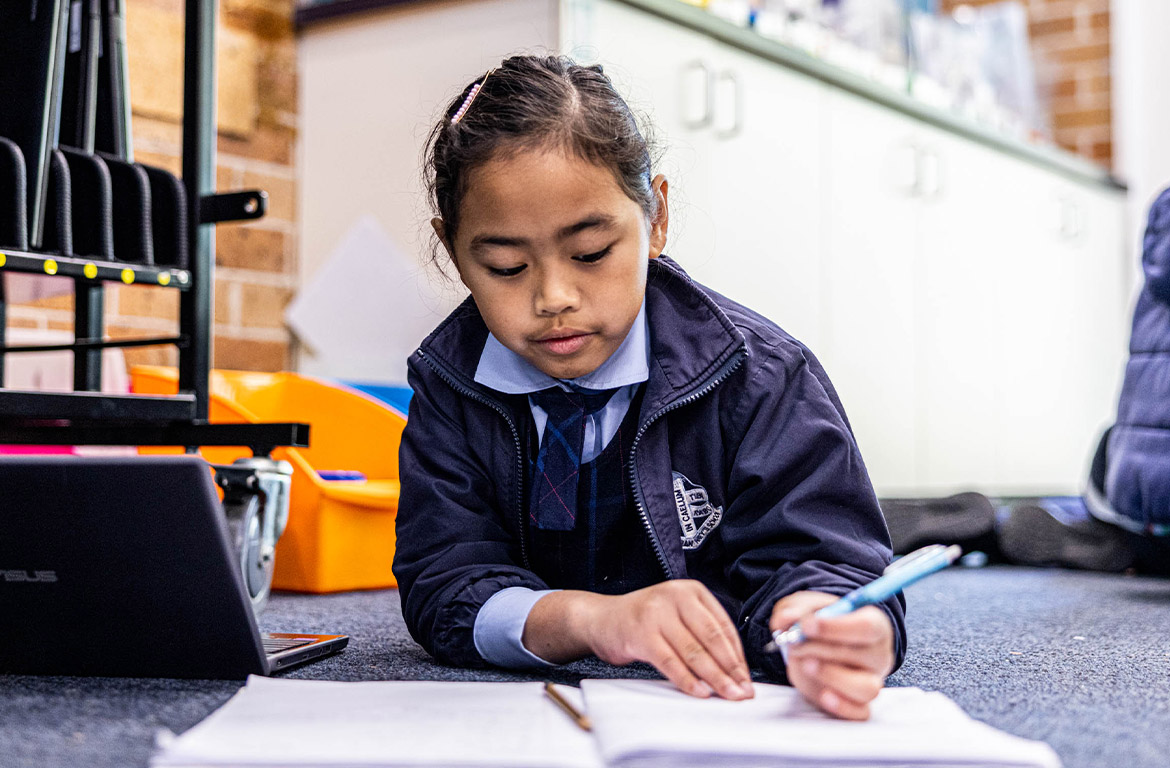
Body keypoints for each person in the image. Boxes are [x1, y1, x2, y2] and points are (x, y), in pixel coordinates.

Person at [392, 55, 906, 721]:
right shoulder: (448, 384)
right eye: (505, 266)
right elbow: (445, 585)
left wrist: (821, 621)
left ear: (656, 218)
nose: (554, 298)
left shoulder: (766, 376)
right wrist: (591, 621)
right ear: (456, 252)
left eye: (590, 254)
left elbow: (831, 563)